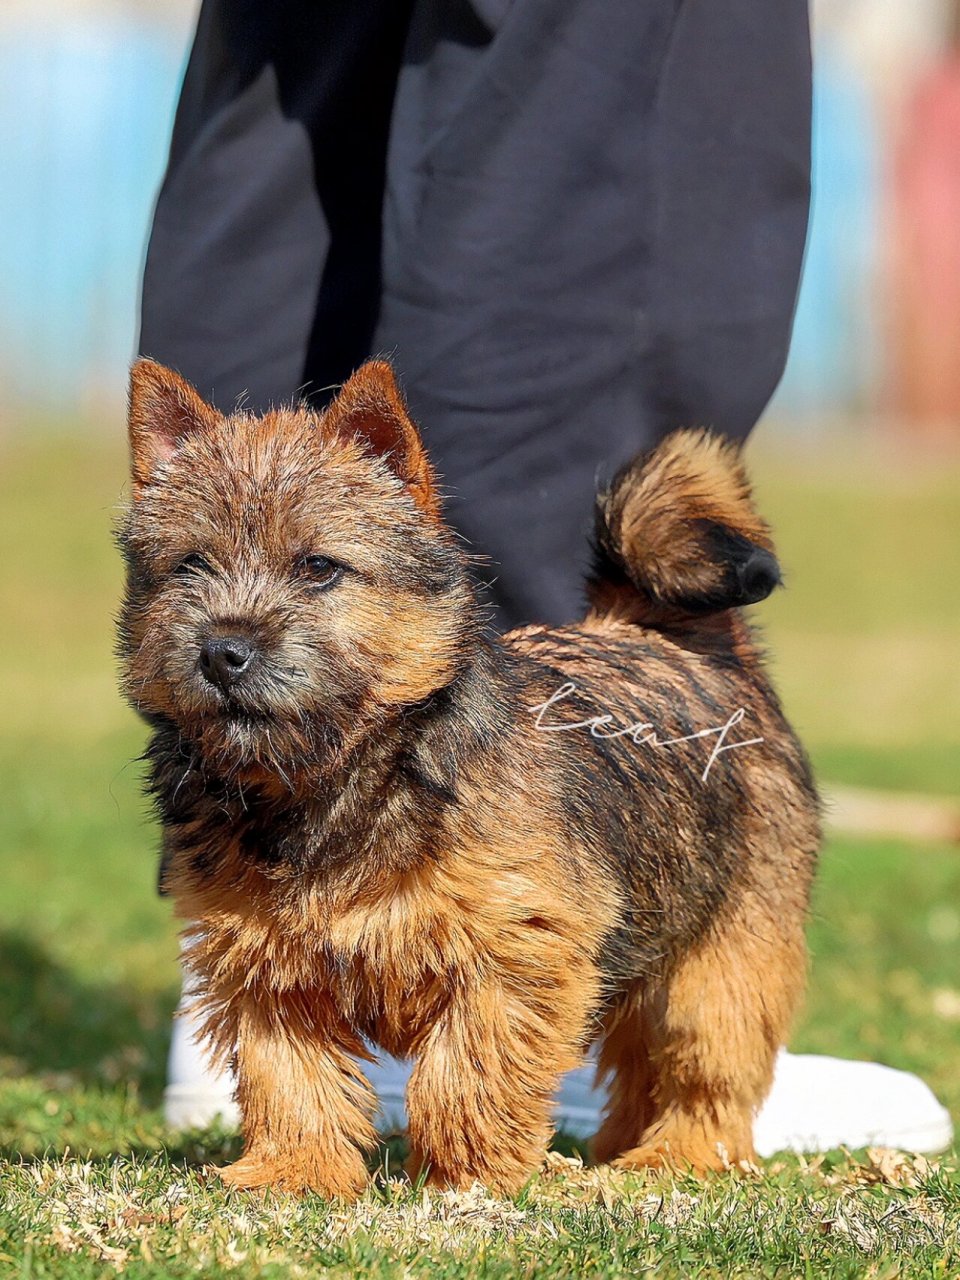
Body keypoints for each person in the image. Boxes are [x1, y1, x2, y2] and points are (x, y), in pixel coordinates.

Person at [145, 0, 952, 1155]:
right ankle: (494, 1024)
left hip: (532, 776)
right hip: (489, 756)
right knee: (592, 76)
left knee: (304, 77)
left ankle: (519, 1011)